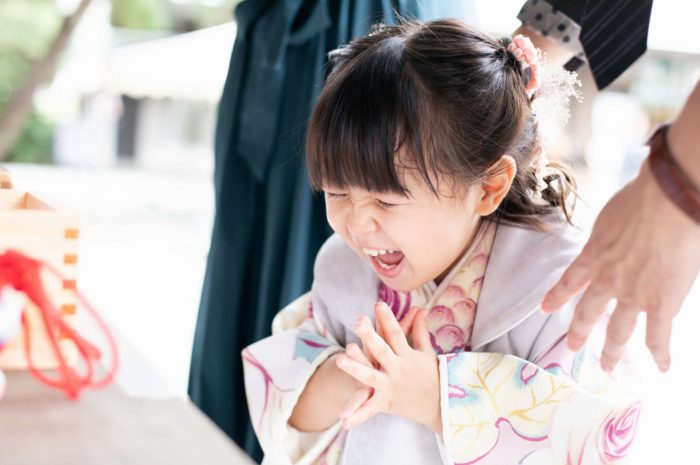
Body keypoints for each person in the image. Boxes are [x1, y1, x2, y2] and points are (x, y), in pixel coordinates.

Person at [242, 20, 640, 465]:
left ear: (489, 188)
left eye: (387, 200)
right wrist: (360, 374)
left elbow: (592, 435)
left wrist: (434, 395)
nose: (357, 223)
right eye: (337, 193)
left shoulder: (555, 282)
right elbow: (287, 395)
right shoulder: (347, 265)